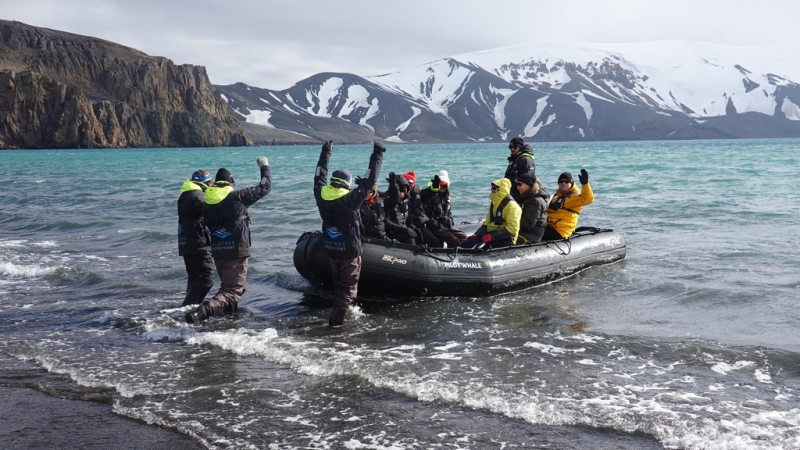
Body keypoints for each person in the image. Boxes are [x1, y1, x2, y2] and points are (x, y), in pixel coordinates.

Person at [185, 158, 272, 324]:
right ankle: (201, 312)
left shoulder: (208, 201)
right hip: (236, 251)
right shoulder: (238, 197)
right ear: (230, 184)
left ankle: (229, 320)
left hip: (218, 251)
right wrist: (265, 167)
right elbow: (265, 187)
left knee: (227, 287)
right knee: (232, 291)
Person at [314, 140, 384, 327]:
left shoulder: (320, 194)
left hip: (330, 247)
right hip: (349, 251)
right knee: (348, 292)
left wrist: (325, 152)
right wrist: (377, 154)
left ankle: (338, 313)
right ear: (347, 184)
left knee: (339, 286)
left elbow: (319, 174)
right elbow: (371, 178)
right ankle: (335, 327)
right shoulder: (351, 199)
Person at [177, 170, 215, 307]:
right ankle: (188, 307)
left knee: (194, 276)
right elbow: (210, 214)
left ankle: (187, 308)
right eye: (210, 182)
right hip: (198, 241)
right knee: (207, 275)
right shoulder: (198, 195)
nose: (211, 185)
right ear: (204, 183)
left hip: (185, 241)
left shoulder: (185, 194)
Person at [461, 178, 522, 249]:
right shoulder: (494, 204)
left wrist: (492, 237)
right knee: (468, 243)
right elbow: (487, 223)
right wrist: (475, 235)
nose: (492, 190)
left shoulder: (512, 206)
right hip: (493, 234)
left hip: (507, 238)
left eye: (494, 188)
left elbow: (513, 228)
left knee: (480, 246)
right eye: (492, 188)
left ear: (501, 189)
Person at [542, 169, 593, 241]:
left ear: (571, 183)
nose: (563, 183)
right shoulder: (555, 196)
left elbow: (588, 199)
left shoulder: (575, 195)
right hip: (550, 226)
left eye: (566, 182)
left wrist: (585, 184)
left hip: (561, 231)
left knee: (536, 232)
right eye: (561, 181)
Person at [420, 170, 467, 247]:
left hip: (445, 227)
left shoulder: (446, 198)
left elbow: (449, 213)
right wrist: (437, 224)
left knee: (463, 236)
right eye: (440, 184)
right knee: (454, 240)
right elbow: (426, 214)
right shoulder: (432, 198)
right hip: (435, 227)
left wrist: (450, 225)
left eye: (444, 185)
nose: (442, 187)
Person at [383, 171, 419, 245]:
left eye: (404, 190)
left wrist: (413, 228)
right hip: (393, 231)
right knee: (410, 239)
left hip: (403, 227)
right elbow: (386, 222)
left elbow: (409, 218)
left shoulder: (406, 200)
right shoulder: (387, 201)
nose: (402, 193)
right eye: (401, 190)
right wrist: (403, 229)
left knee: (418, 234)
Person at [515, 173, 550, 244]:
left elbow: (527, 224)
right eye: (517, 185)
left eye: (520, 184)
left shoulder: (536, 201)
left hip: (531, 235)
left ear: (529, 185)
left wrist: (510, 227)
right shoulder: (525, 198)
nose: (517, 187)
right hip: (524, 232)